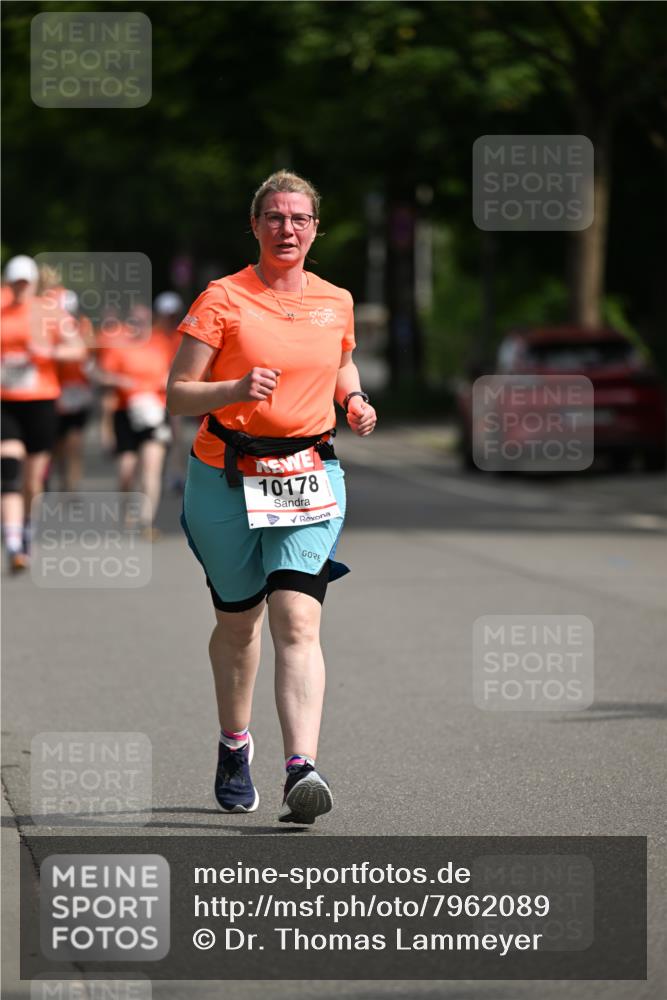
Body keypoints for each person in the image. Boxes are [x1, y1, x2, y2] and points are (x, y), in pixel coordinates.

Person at [167, 170, 377, 825]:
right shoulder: (222, 298)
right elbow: (176, 395)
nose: (288, 229)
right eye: (275, 218)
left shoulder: (334, 299)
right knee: (239, 622)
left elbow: (339, 357)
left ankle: (300, 770)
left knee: (297, 618)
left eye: (300, 219)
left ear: (315, 229)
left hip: (309, 472)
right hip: (225, 474)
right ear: (255, 225)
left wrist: (353, 398)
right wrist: (231, 389)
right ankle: (235, 745)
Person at [1, 255, 84, 572]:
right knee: (8, 468)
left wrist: (47, 352)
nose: (20, 289)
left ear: (34, 283)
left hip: (40, 401)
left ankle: (25, 530)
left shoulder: (50, 311)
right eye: (15, 283)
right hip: (5, 401)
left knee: (33, 482)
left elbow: (76, 347)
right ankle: (11, 544)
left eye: (25, 283)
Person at [95, 303, 172, 538]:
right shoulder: (119, 346)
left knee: (151, 468)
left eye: (144, 321)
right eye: (135, 322)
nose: (139, 326)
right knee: (126, 471)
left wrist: (168, 380)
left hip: (155, 411)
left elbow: (178, 371)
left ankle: (147, 522)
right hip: (126, 411)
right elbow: (101, 374)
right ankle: (128, 509)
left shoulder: (161, 344)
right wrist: (118, 381)